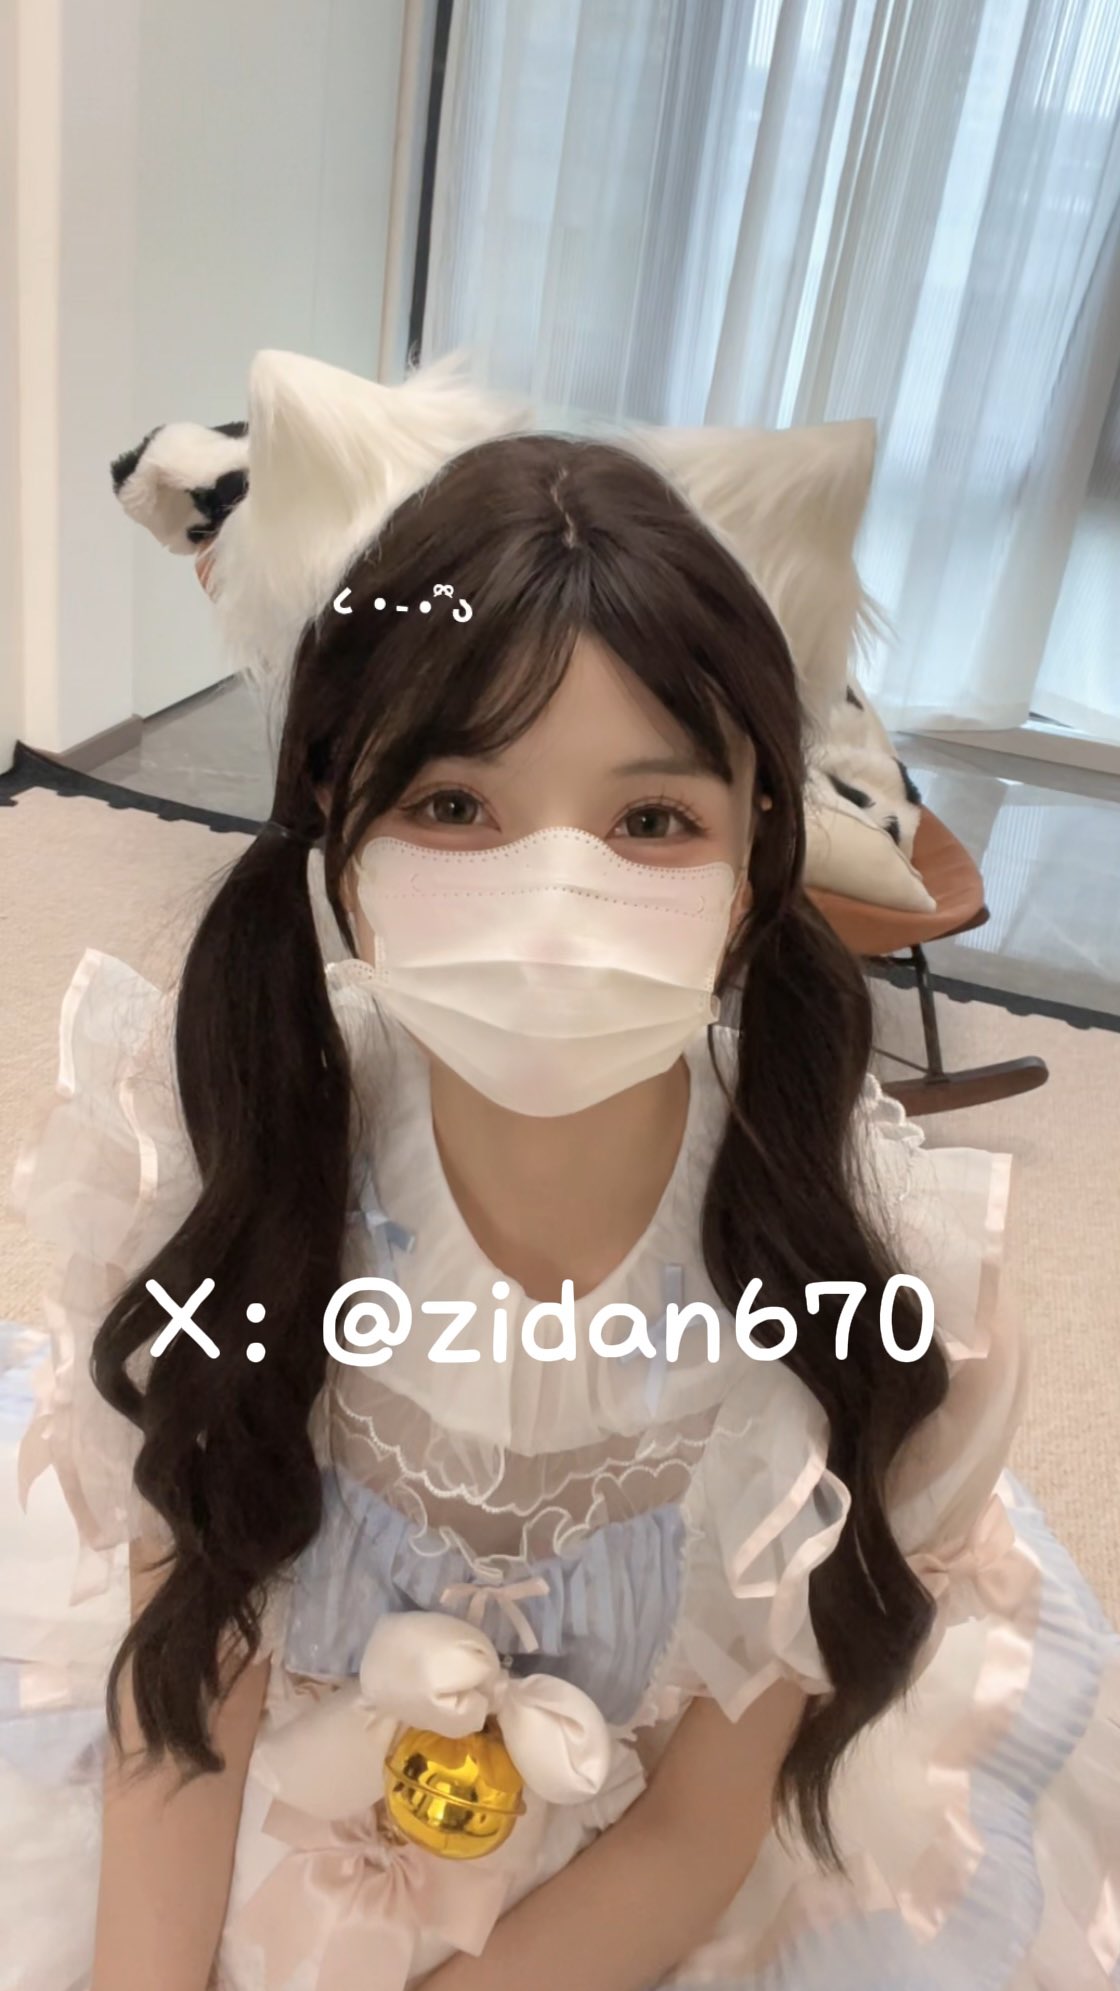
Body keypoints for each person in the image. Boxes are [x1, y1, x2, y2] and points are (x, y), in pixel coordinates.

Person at [1, 433, 1117, 1991]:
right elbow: (191, 1687)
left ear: (754, 857)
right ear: (339, 835)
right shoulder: (231, 1164)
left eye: (650, 821)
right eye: (455, 803)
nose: (549, 909)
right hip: (301, 1771)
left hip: (634, 1848)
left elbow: (698, 1833)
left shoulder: (871, 1285)